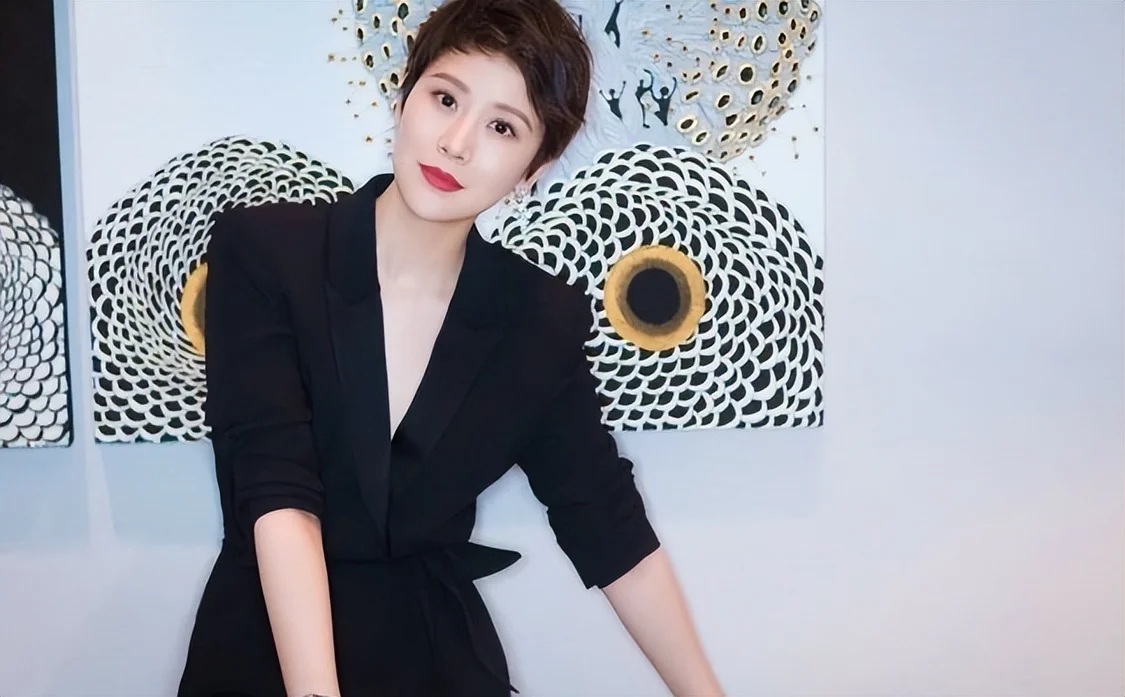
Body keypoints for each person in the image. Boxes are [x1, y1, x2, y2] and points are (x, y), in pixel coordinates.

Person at [177, 1, 724, 695]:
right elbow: (278, 495)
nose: (457, 143)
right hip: (267, 650)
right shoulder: (267, 253)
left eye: (502, 126)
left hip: (431, 656)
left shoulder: (537, 320)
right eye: (445, 99)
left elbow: (607, 523)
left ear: (535, 166)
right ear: (405, 98)